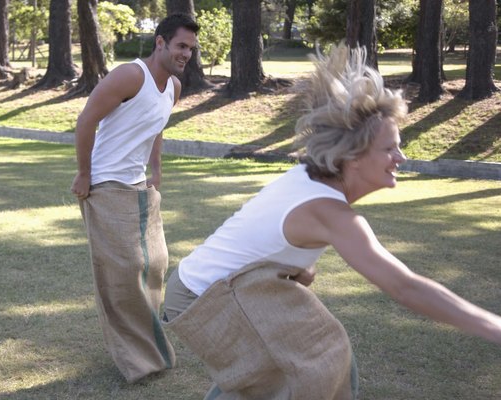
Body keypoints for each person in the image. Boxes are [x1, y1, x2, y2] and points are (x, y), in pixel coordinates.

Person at [162, 43, 501, 400]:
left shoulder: (310, 179)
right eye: (389, 149)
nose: (400, 157)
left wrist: (293, 268)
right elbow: (406, 287)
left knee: (324, 359)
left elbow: (265, 236)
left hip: (231, 287)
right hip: (203, 295)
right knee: (293, 377)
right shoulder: (331, 212)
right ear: (352, 157)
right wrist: (492, 325)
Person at [69, 14, 198, 383]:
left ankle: (148, 347)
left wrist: (155, 170)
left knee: (155, 265)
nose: (186, 54)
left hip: (139, 186)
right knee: (123, 274)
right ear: (160, 43)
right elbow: (86, 120)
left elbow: (156, 128)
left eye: (190, 48)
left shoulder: (173, 86)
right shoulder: (130, 75)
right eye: (180, 46)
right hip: (105, 183)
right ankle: (138, 360)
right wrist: (84, 173)